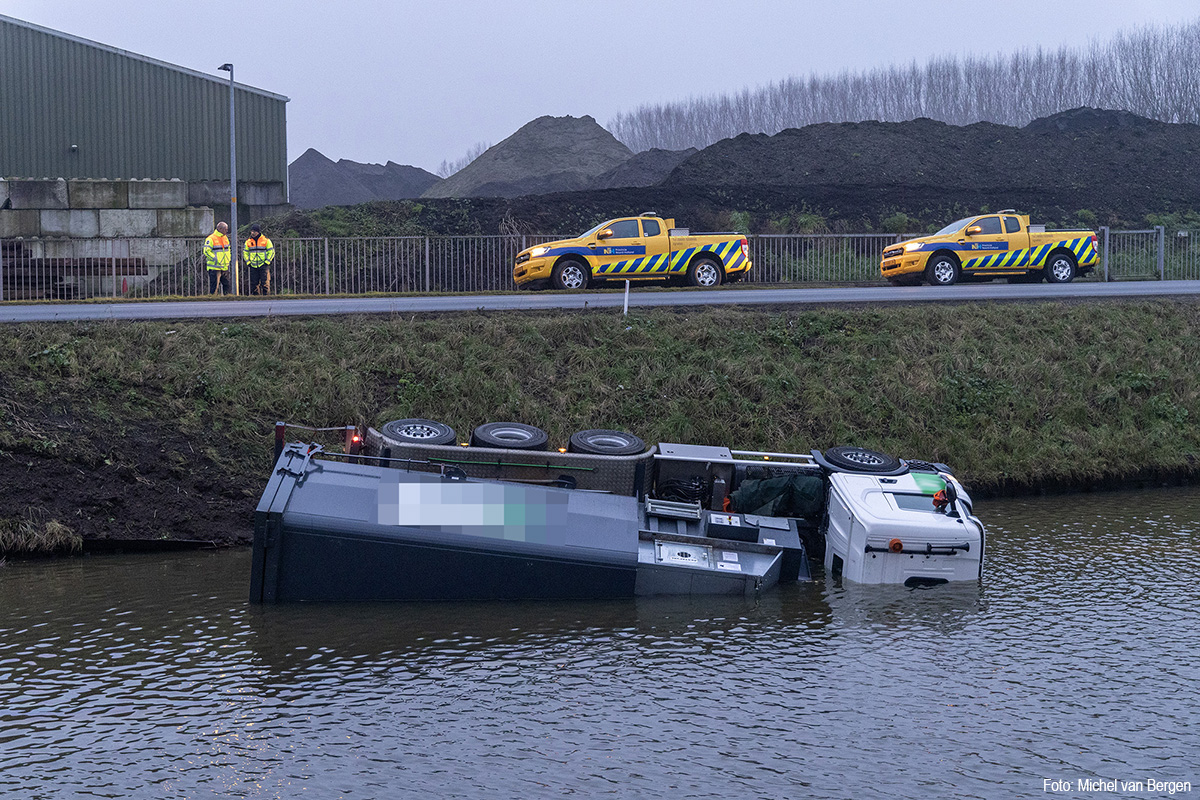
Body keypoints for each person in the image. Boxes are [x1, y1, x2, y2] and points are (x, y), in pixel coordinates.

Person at [243, 224, 275, 295]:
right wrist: (248, 262)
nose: (252, 233)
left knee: (265, 283)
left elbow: (271, 252)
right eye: (251, 231)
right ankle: (256, 299)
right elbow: (245, 253)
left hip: (263, 264)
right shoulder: (248, 241)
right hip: (253, 265)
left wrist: (267, 262)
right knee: (254, 284)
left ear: (258, 232)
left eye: (254, 231)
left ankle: (266, 298)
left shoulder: (266, 241)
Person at [203, 221, 232, 294]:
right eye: (225, 229)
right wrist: (215, 259)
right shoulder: (211, 238)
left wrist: (228, 260)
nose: (226, 231)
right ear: (220, 228)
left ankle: (228, 300)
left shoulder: (225, 238)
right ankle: (212, 301)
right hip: (215, 267)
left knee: (227, 285)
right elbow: (206, 251)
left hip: (224, 266)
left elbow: (227, 250)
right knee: (214, 287)